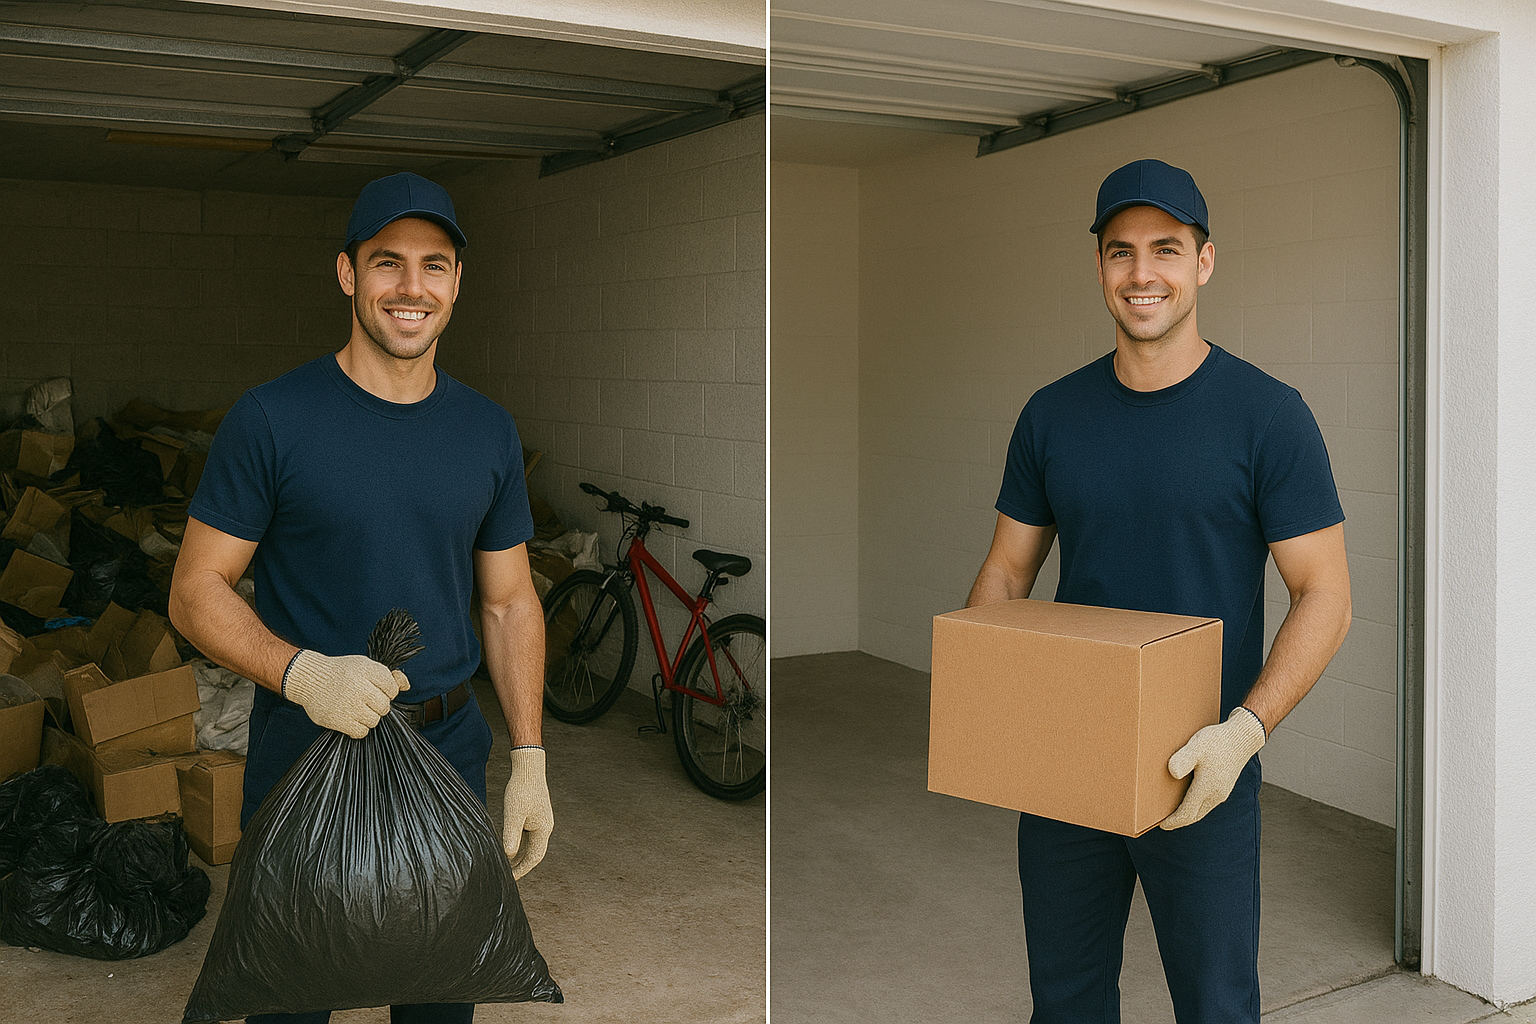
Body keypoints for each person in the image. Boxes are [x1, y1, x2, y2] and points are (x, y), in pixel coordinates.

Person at [966, 158, 1353, 1023]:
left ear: (1203, 262)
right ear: (1099, 265)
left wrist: (1242, 734)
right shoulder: (1052, 415)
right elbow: (1007, 570)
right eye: (1121, 251)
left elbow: (1325, 593)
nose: (1143, 273)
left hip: (1203, 770)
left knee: (1215, 1007)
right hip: (1068, 760)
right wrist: (992, 698)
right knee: (1065, 1004)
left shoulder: (1268, 416)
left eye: (1166, 249)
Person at [168, 171, 553, 1024]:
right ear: (347, 273)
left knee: (437, 1001)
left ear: (457, 282)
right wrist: (303, 673)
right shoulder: (273, 419)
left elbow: (508, 603)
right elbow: (194, 591)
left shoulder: (488, 430)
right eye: (387, 262)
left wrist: (529, 754)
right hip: (303, 753)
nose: (412, 287)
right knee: (292, 1002)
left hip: (446, 754)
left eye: (434, 265)